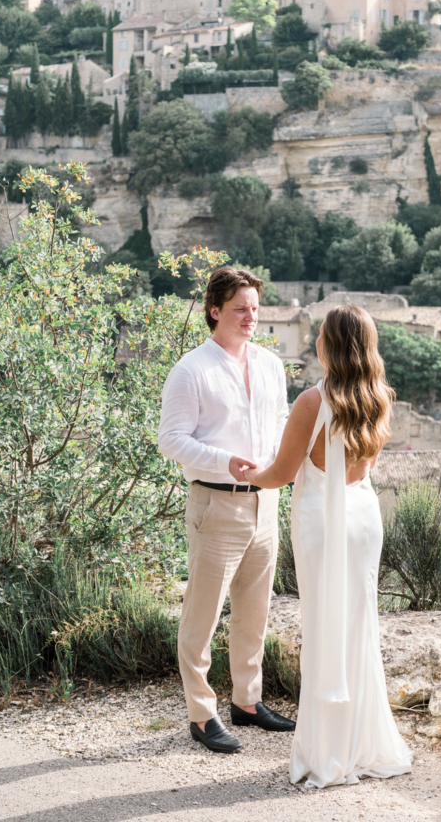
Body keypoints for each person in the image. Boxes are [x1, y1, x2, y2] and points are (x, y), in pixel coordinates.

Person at [246, 304, 413, 788]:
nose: (316, 338)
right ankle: (363, 742)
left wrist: (247, 473)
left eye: (320, 333)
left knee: (324, 626)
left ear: (330, 345)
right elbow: (366, 465)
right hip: (363, 517)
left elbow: (279, 474)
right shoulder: (380, 397)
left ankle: (328, 752)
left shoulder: (311, 403)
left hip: (322, 519)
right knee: (360, 626)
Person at [158, 266, 297, 754]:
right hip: (215, 503)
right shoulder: (190, 369)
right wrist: (226, 462)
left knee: (254, 613)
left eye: (255, 309)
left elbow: (281, 424)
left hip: (266, 502)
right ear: (215, 311)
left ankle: (247, 701)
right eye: (241, 309)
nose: (250, 318)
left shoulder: (270, 365)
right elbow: (170, 440)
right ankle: (202, 714)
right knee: (202, 617)